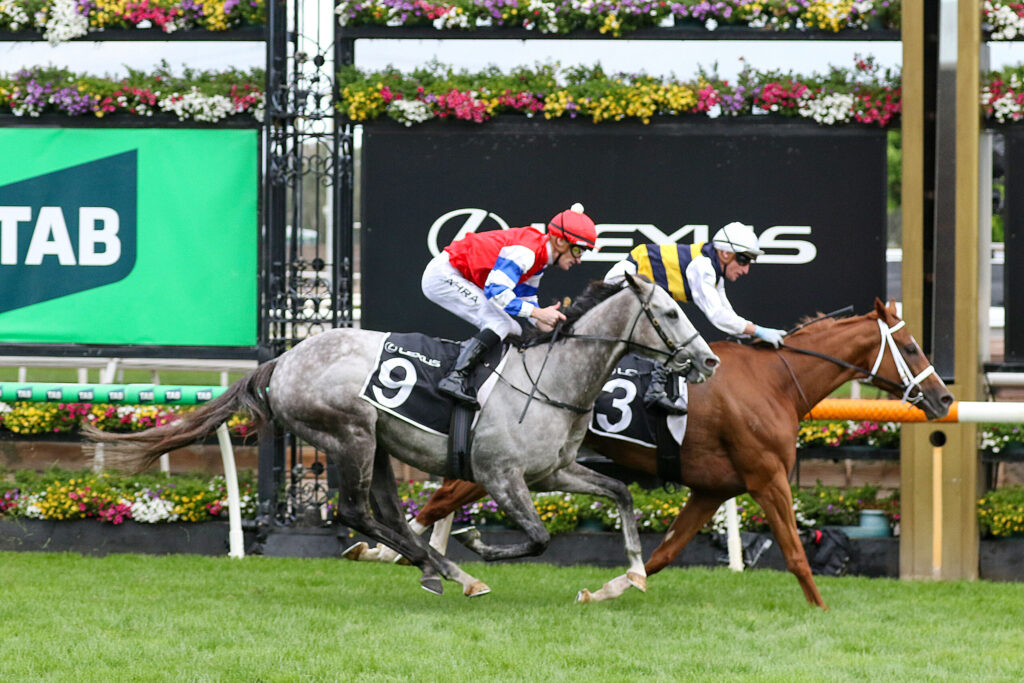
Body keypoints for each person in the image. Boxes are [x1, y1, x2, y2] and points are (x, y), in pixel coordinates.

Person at [421, 202, 597, 408]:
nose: (579, 260)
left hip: (461, 276)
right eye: (577, 250)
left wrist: (541, 321)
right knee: (500, 324)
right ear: (559, 241)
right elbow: (496, 292)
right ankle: (454, 378)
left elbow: (525, 298)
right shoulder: (527, 253)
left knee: (513, 328)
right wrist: (538, 313)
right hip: (444, 276)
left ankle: (481, 380)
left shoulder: (540, 257)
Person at [604, 221, 787, 414]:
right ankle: (654, 391)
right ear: (725, 253)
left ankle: (658, 384)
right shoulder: (702, 267)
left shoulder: (715, 273)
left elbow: (728, 315)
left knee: (671, 326)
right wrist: (758, 330)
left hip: (643, 289)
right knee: (672, 330)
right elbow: (717, 316)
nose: (745, 269)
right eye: (743, 260)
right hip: (624, 282)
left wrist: (752, 334)